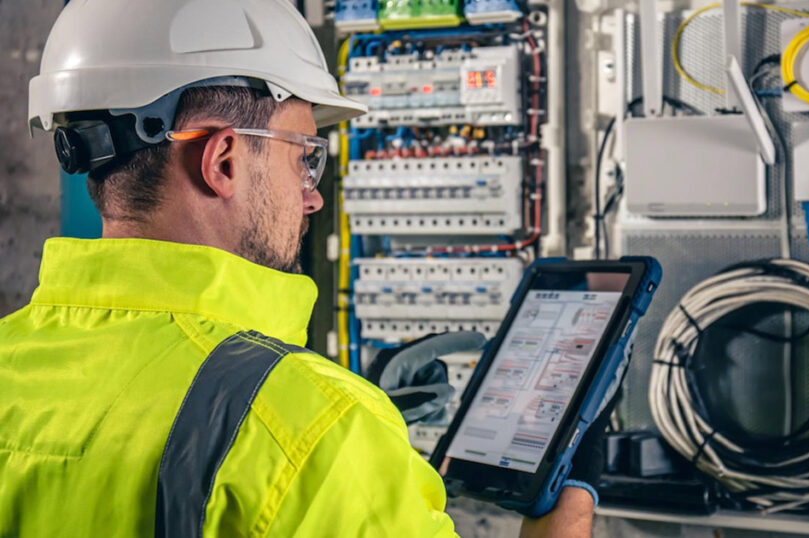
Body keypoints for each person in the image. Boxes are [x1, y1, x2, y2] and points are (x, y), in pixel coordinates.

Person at [0, 0, 605, 536]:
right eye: (304, 158)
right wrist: (572, 492)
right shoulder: (323, 432)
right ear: (225, 160)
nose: (312, 196)